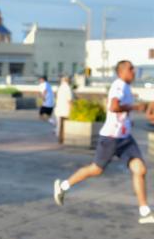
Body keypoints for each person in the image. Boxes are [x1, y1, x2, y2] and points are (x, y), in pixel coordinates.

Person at [54, 60, 154, 224]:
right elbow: (114, 107)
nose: (134, 71)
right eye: (130, 69)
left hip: (125, 138)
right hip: (111, 138)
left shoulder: (126, 87)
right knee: (96, 169)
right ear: (121, 71)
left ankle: (144, 211)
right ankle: (63, 186)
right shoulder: (118, 85)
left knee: (140, 169)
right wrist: (135, 108)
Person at [54, 76, 74, 143]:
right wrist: (72, 109)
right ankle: (63, 139)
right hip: (65, 109)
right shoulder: (67, 88)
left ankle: (60, 139)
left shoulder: (60, 88)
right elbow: (69, 100)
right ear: (67, 80)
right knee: (64, 126)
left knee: (60, 125)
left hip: (59, 109)